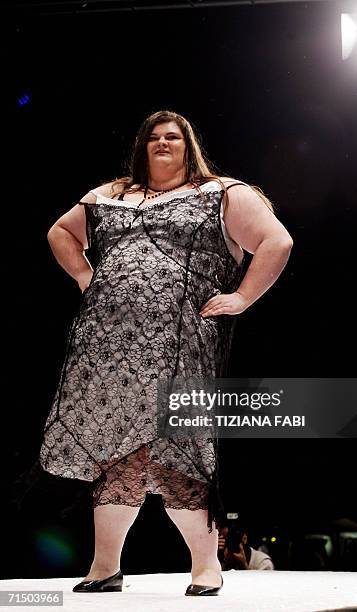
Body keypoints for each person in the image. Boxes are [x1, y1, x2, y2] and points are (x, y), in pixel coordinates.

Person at [38, 110, 293, 595]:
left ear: (188, 144)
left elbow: (276, 241)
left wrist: (241, 297)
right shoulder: (111, 194)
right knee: (117, 454)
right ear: (141, 146)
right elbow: (61, 232)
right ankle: (104, 567)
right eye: (153, 137)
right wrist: (83, 274)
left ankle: (206, 567)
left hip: (180, 344)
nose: (162, 143)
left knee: (182, 448)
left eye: (172, 137)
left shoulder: (220, 191)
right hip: (107, 350)